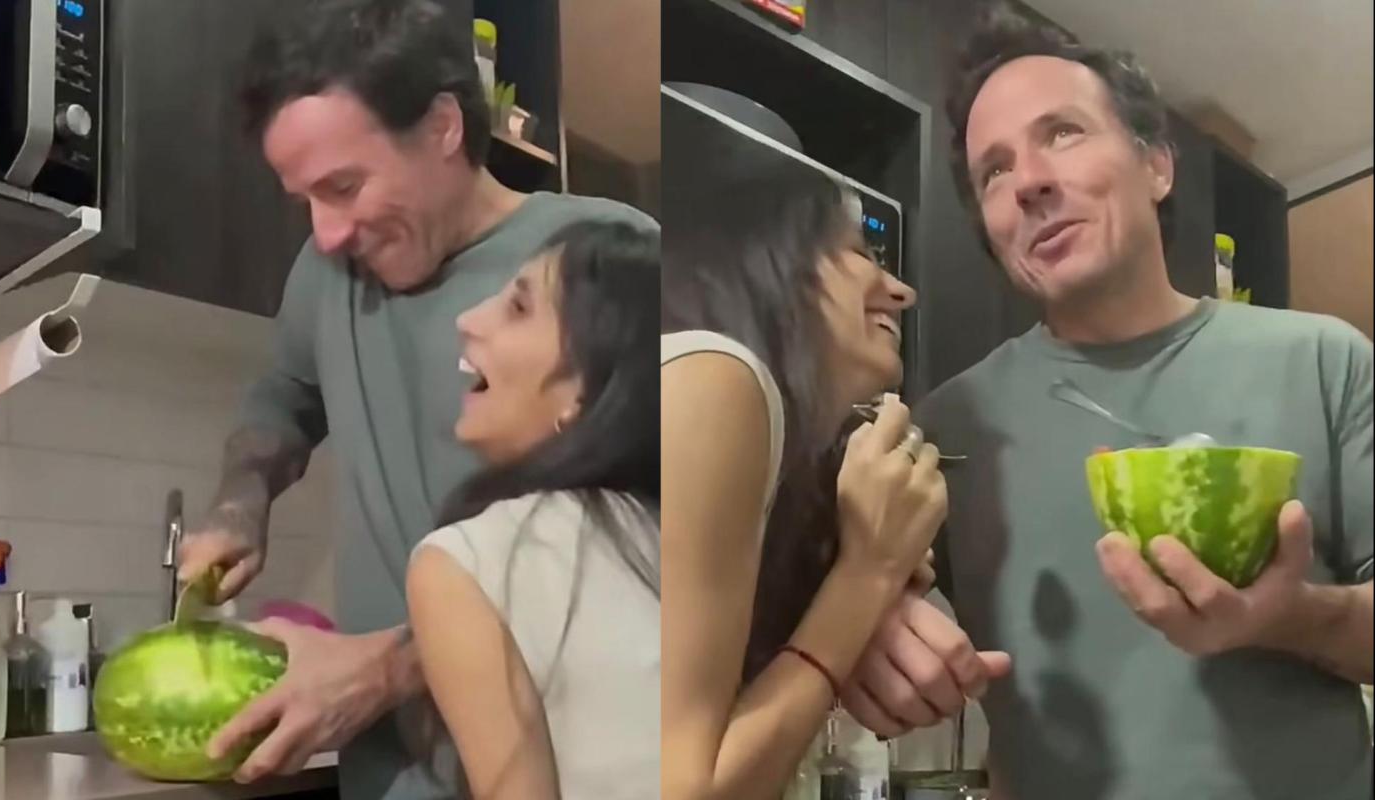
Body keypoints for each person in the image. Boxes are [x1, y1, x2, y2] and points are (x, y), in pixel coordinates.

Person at [846, 10, 1374, 799]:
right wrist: (870, 628)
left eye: (1062, 133)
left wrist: (1292, 615)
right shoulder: (950, 428)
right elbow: (862, 592)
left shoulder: (1326, 360)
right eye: (994, 171)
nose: (1029, 181)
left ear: (1156, 165)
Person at [173, 1, 656, 797]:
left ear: (441, 127)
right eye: (305, 199)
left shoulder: (603, 261)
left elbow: (646, 555)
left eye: (344, 185)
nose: (326, 232)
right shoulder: (327, 272)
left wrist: (385, 669)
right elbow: (282, 399)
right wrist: (240, 502)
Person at [660, 160, 956, 799]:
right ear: (764, 262)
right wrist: (869, 573)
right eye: (858, 252)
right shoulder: (710, 374)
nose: (902, 292)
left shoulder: (787, 484)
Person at [405, 221, 660, 799]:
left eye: (518, 308)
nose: (467, 320)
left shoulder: (466, 563)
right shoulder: (676, 527)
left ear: (582, 391)